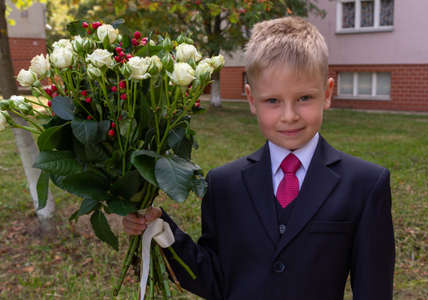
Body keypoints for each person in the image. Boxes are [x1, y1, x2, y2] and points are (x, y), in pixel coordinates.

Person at [123, 16, 395, 300]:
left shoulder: (364, 185)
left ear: (326, 93)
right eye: (272, 101)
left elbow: (373, 290)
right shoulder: (223, 184)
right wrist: (162, 232)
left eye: (304, 98)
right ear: (252, 100)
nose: (289, 116)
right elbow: (213, 280)